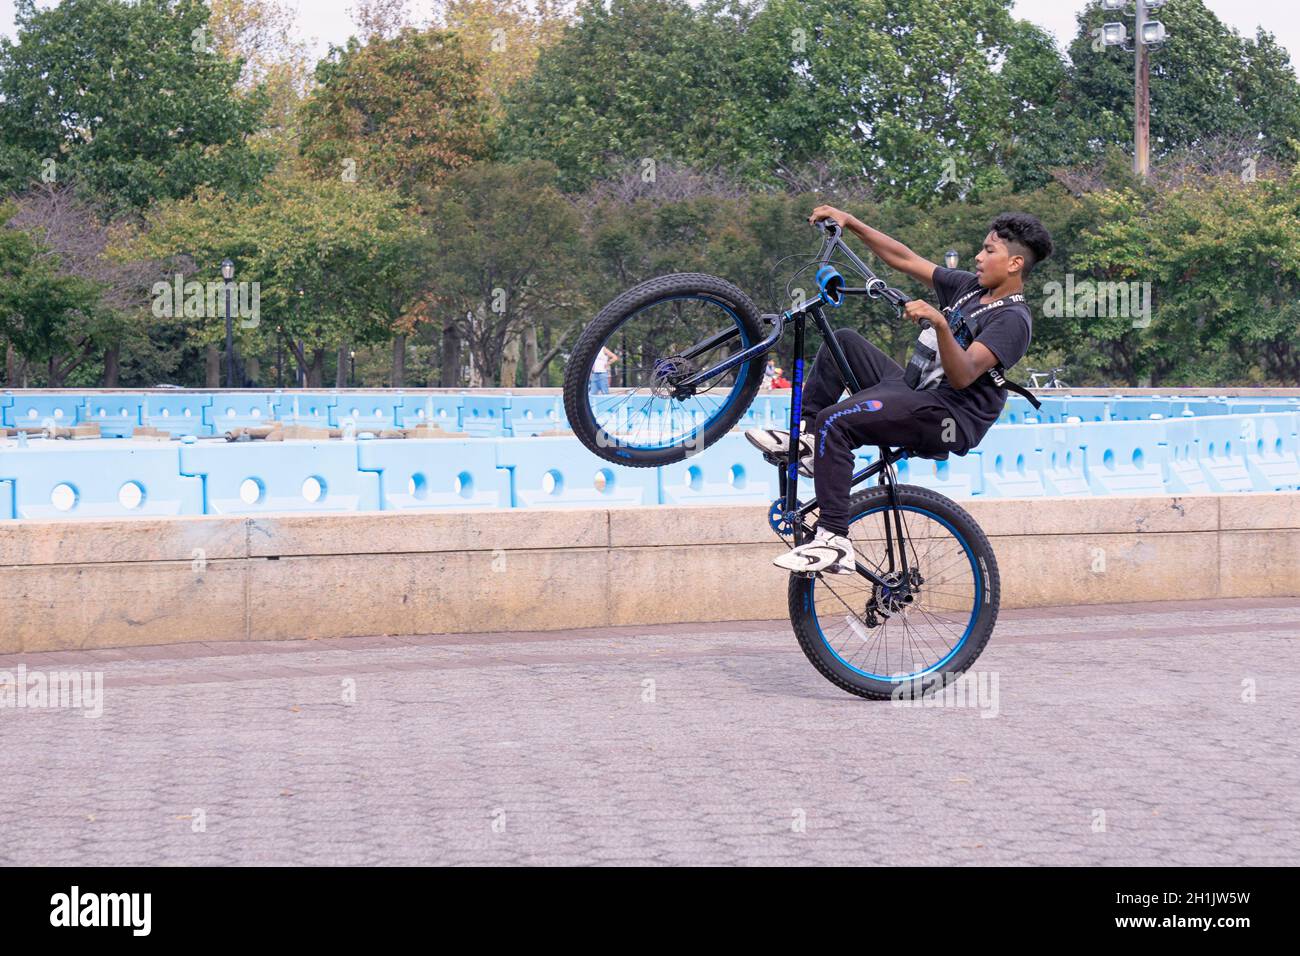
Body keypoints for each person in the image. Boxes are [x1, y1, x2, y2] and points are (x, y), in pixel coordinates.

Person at [747, 206, 1053, 574]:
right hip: (915, 389)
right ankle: (808, 441)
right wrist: (852, 222)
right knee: (840, 342)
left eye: (990, 251)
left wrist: (940, 323)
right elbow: (904, 258)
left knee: (837, 421)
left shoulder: (1012, 319)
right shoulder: (969, 288)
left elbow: (963, 376)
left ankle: (834, 538)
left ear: (1015, 263)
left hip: (948, 415)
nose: (978, 256)